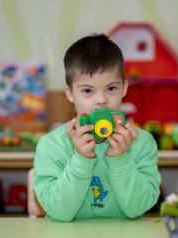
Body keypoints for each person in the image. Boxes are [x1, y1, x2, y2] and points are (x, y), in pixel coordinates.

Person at [33, 34, 161, 222]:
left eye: (111, 88)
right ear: (70, 93)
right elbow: (60, 212)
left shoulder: (141, 142)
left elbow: (137, 209)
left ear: (124, 88)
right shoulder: (51, 145)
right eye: (87, 91)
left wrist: (120, 159)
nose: (101, 100)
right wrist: (81, 160)